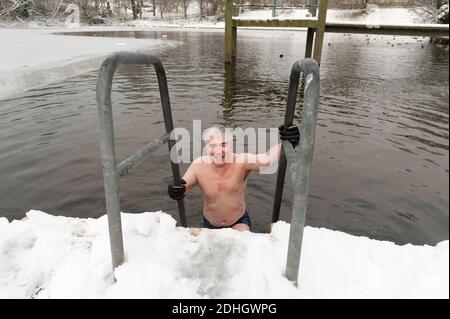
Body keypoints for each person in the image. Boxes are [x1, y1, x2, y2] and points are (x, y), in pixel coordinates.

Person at [168, 124, 300, 231]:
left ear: (231, 146)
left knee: (242, 247)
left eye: (224, 145)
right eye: (213, 146)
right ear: (206, 148)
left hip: (238, 221)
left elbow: (268, 159)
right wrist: (175, 190)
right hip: (210, 224)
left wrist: (288, 143)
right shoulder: (198, 165)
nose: (219, 151)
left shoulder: (242, 161)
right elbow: (184, 187)